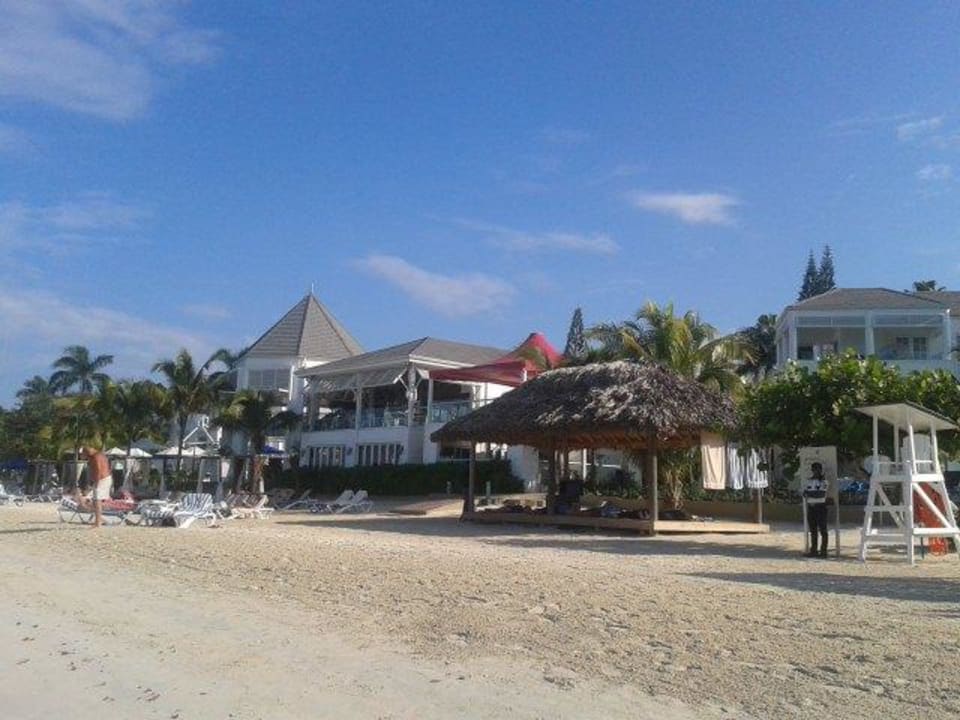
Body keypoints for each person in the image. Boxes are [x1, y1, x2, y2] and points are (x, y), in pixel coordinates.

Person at [80, 445, 112, 528]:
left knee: (97, 500)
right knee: (94, 501)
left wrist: (96, 482)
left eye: (83, 453)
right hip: (103, 479)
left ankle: (98, 523)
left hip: (102, 479)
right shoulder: (98, 455)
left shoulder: (96, 457)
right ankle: (99, 519)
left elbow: (98, 470)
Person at [803, 462, 829, 558]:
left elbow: (821, 494)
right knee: (813, 530)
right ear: (812, 470)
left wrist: (810, 494)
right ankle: (813, 550)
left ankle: (823, 551)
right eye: (814, 469)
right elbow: (804, 493)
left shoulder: (824, 482)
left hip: (821, 507)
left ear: (821, 470)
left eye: (818, 469)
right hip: (811, 507)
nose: (816, 472)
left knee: (823, 530)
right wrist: (811, 494)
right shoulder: (809, 481)